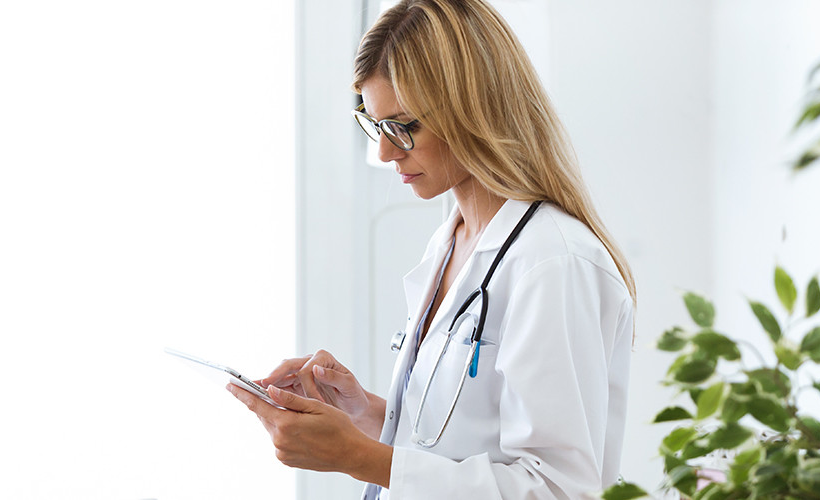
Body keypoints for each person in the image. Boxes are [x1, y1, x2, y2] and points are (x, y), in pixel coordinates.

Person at [227, 0, 636, 498]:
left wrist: (356, 456)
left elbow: (559, 489)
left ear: (473, 106)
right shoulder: (453, 239)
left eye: (404, 126)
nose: (385, 151)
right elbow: (462, 443)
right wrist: (367, 414)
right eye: (376, 125)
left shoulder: (553, 263)